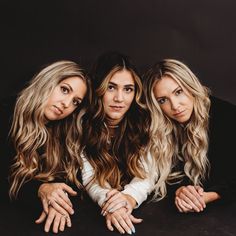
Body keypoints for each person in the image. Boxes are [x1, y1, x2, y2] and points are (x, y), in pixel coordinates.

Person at [0, 60, 91, 233]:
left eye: (75, 102)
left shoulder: (62, 132)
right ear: (47, 81)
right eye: (64, 90)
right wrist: (40, 189)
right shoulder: (5, 115)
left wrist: (57, 198)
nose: (66, 104)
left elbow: (70, 177)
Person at [143, 58, 236, 213]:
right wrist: (180, 191)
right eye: (163, 100)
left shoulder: (228, 117)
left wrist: (208, 196)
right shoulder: (161, 128)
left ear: (191, 87)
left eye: (178, 92)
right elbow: (166, 176)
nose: (175, 105)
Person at [81, 51, 154, 234]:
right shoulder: (80, 124)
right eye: (111, 87)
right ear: (98, 88)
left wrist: (128, 198)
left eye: (128, 89)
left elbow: (148, 172)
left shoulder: (145, 122)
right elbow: (88, 175)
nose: (119, 99)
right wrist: (110, 203)